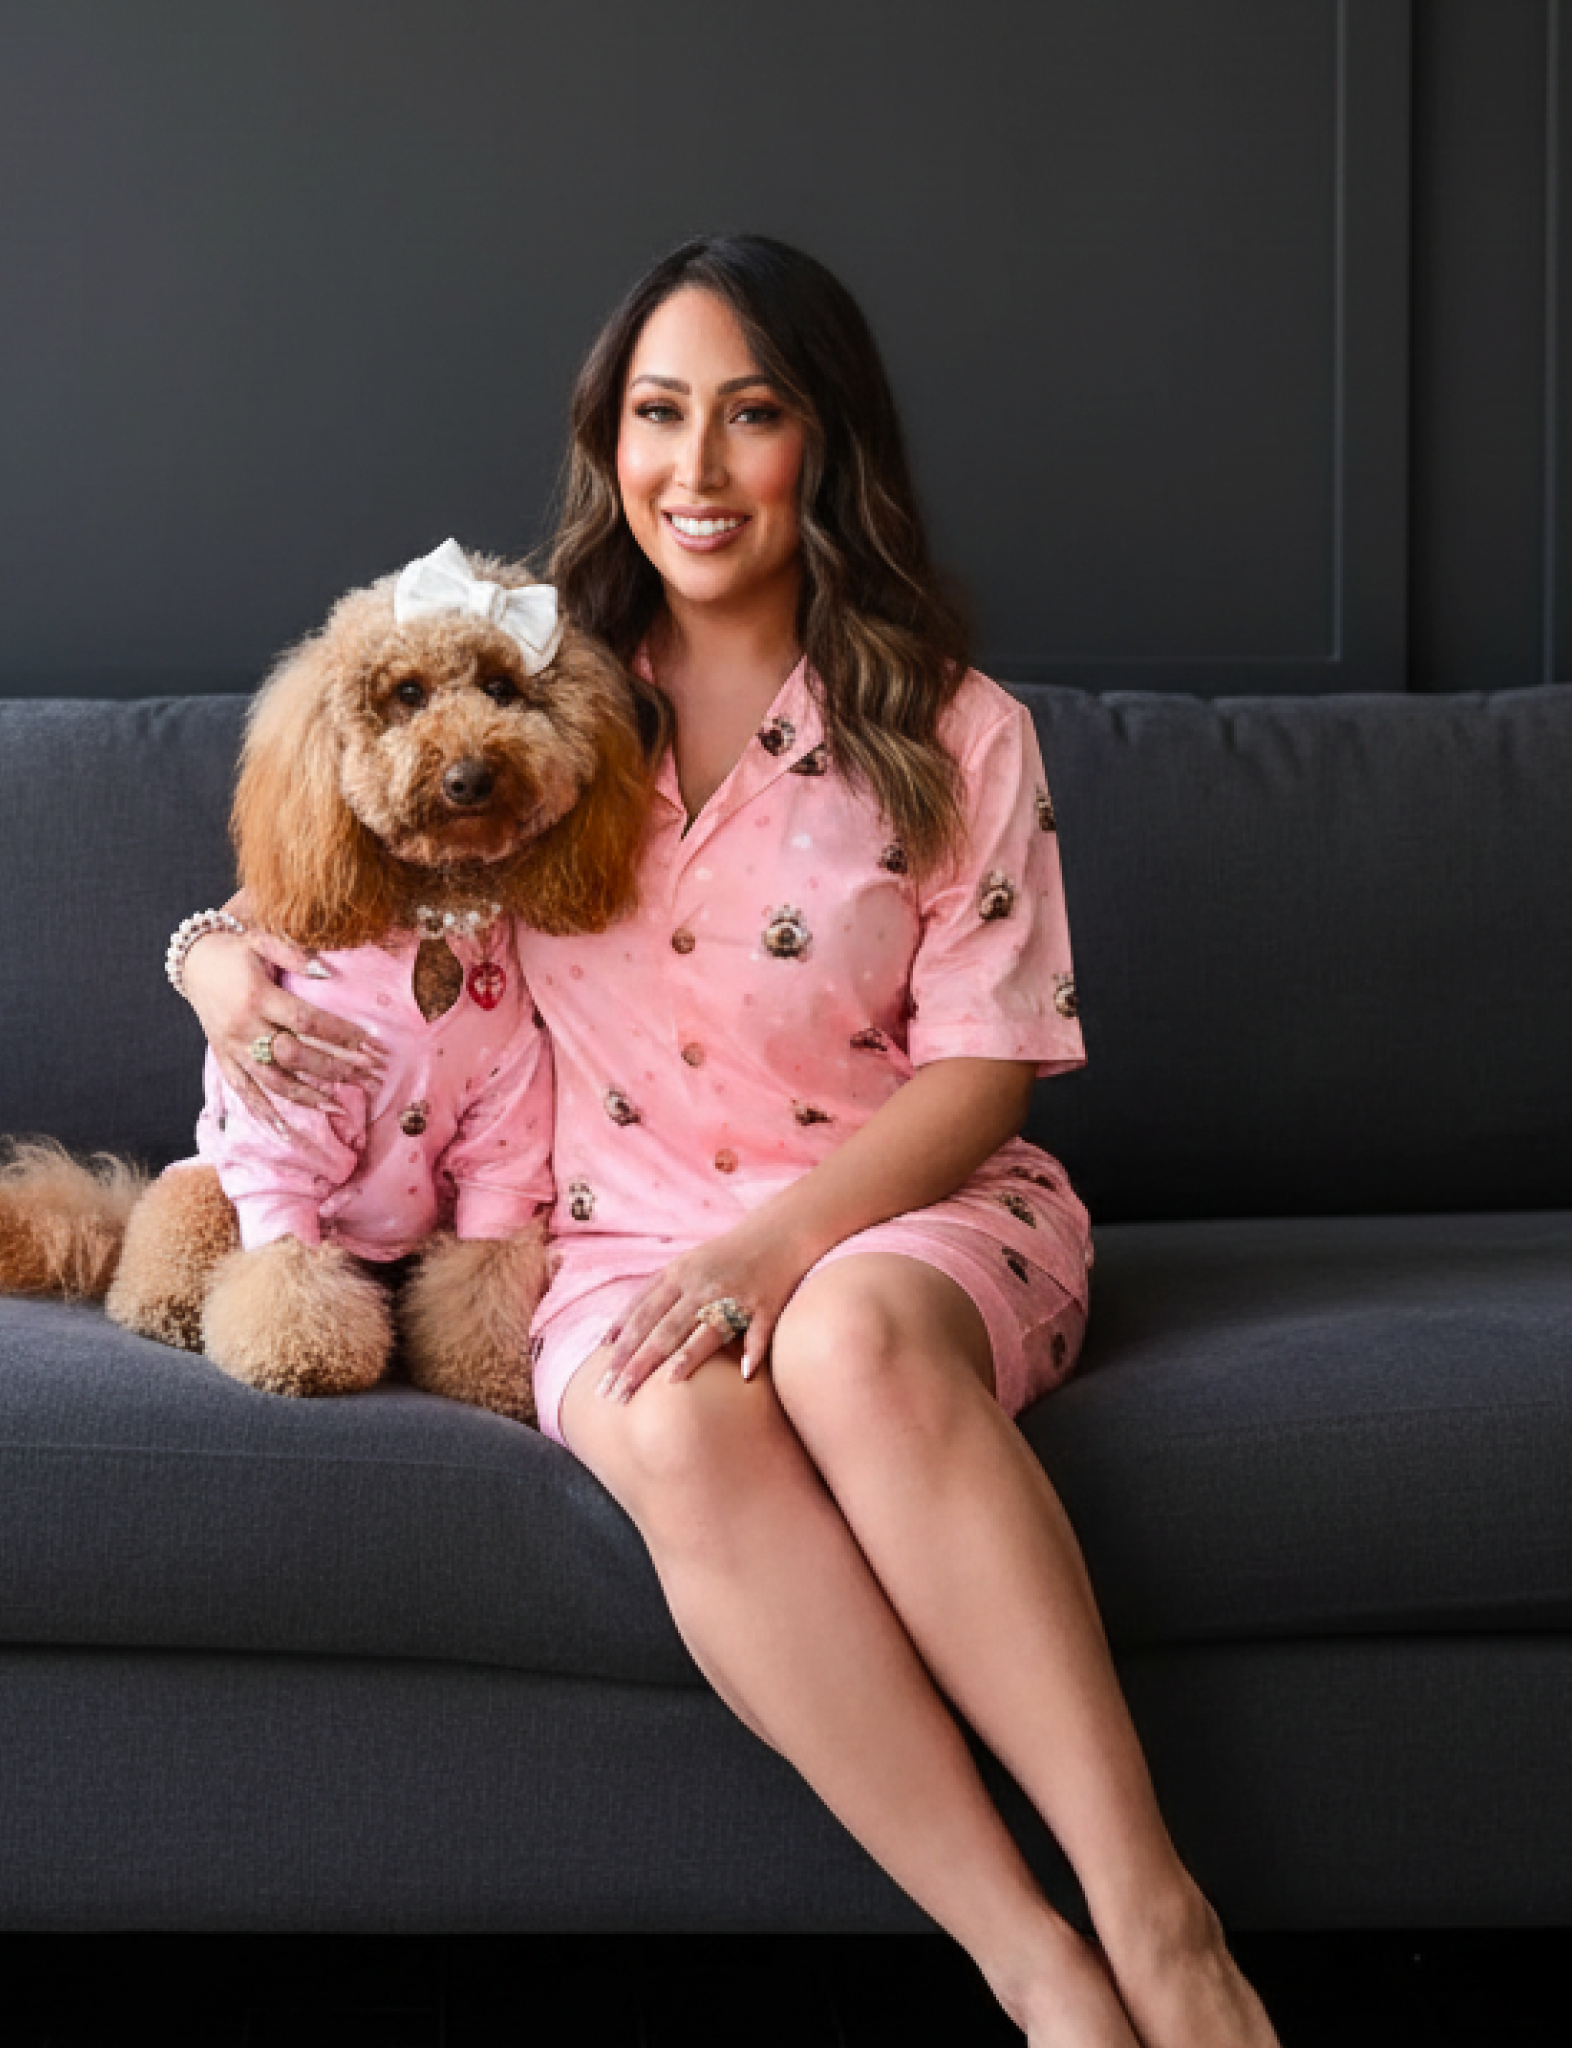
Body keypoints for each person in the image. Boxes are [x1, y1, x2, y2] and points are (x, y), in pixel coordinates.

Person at [176, 235, 1279, 2048]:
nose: (695, 468)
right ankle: (1038, 1968)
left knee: (840, 1339)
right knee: (677, 1426)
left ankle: (1163, 1921)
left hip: (913, 1210)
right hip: (611, 1241)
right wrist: (212, 976)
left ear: (822, 449)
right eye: (656, 416)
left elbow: (988, 1072)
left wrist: (777, 1250)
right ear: (610, 444)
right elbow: (300, 887)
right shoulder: (534, 699)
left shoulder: (949, 726)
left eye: (749, 417)